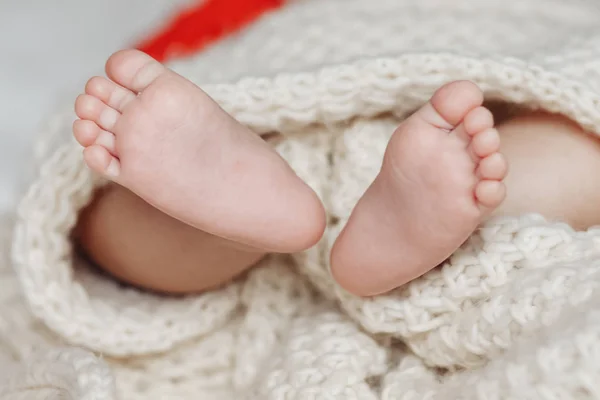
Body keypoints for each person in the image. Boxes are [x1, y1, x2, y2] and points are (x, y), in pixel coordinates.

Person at [72, 49, 600, 296]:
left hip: (270, 91)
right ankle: (476, 206)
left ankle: (221, 223)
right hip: (468, 95)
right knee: (574, 146)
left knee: (108, 213)